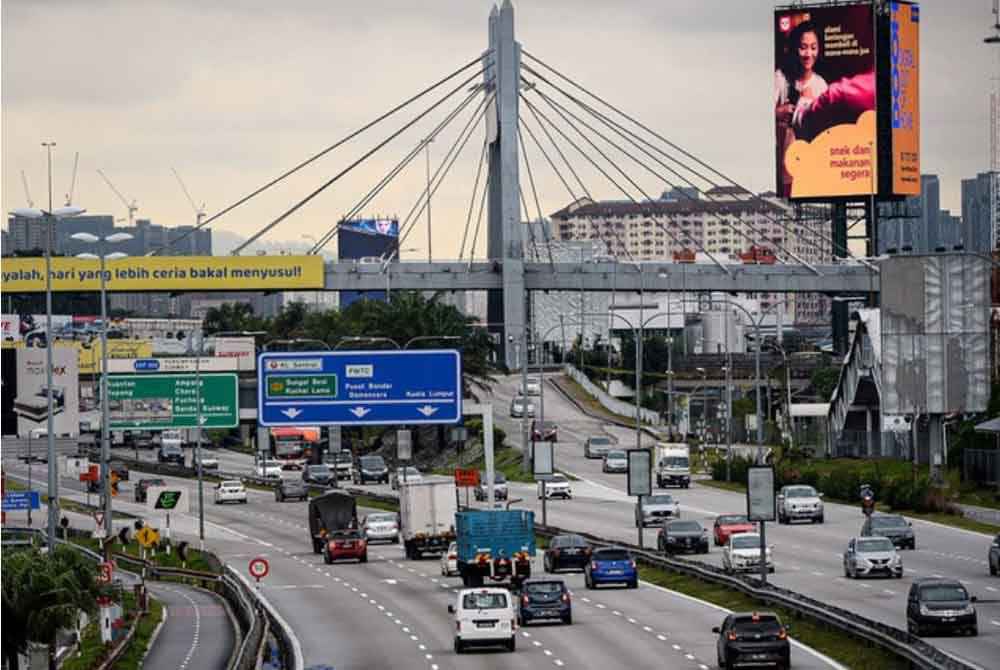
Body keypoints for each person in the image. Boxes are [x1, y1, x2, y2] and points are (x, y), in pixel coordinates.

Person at [775, 21, 828, 197]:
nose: (808, 54)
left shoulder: (821, 86)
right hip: (787, 171)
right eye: (803, 48)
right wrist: (778, 112)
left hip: (812, 169)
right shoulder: (781, 78)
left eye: (813, 47)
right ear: (794, 49)